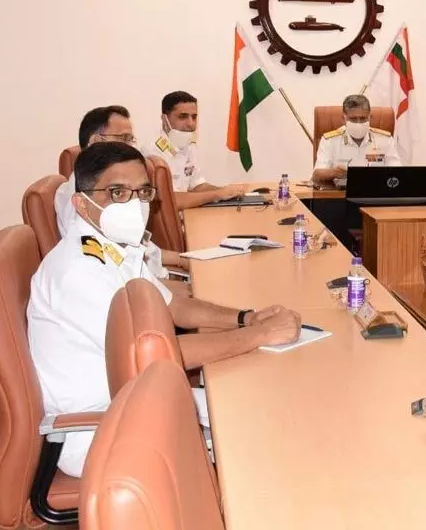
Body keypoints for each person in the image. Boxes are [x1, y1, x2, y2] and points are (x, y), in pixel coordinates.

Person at [29, 142, 302, 477]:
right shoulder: (79, 270)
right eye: (117, 192)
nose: (134, 204)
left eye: (143, 192)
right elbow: (154, 356)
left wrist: (245, 318)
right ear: (82, 205)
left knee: (270, 409)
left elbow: (172, 307)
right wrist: (258, 336)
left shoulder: (115, 249)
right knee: (264, 440)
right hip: (100, 430)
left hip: (137, 398)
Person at [55, 106, 188, 291]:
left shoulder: (116, 190)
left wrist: (184, 260)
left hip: (149, 281)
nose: (130, 147)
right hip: (132, 291)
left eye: (131, 140)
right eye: (123, 138)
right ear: (95, 141)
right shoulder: (86, 196)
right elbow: (114, 275)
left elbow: (141, 248)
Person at [147, 90, 246, 209]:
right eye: (183, 116)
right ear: (164, 119)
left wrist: (227, 192)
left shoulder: (189, 144)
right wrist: (217, 194)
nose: (190, 123)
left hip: (187, 215)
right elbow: (169, 200)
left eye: (194, 117)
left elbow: (196, 186)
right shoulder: (152, 153)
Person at [312, 94, 402, 185]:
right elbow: (316, 175)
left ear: (370, 117)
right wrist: (334, 173)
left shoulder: (384, 140)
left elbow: (398, 173)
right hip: (340, 195)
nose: (358, 123)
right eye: (353, 119)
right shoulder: (330, 141)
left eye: (363, 118)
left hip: (376, 193)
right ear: (344, 118)